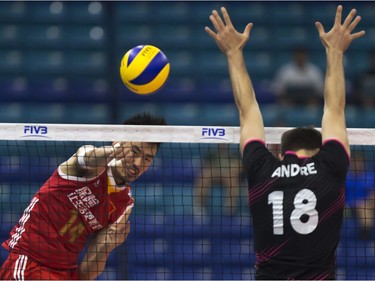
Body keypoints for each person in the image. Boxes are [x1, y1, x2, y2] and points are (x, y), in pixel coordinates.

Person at [205, 5, 364, 280]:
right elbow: (335, 109)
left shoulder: (262, 169)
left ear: (281, 151)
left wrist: (233, 53)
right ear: (319, 150)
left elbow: (248, 109)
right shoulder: (330, 167)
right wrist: (335, 52)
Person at [0, 112, 166, 280]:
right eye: (135, 152)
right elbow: (87, 158)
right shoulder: (89, 164)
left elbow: (86, 273)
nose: (138, 163)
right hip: (30, 263)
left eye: (147, 159)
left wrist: (107, 246)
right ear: (118, 141)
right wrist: (112, 151)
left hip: (66, 274)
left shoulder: (125, 204)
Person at [193, 143, 242, 217]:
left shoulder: (234, 155)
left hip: (228, 176)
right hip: (214, 176)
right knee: (205, 175)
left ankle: (230, 208)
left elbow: (239, 168)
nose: (222, 144)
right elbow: (206, 167)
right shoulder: (211, 155)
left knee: (232, 177)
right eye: (220, 143)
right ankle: (199, 207)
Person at [345, 150, 375, 239]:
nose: (357, 165)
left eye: (359, 162)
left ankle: (366, 238)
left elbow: (373, 194)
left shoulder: (370, 177)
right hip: (348, 207)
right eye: (355, 162)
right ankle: (366, 238)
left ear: (363, 164)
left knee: (364, 207)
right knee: (363, 209)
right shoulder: (344, 177)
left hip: (367, 205)